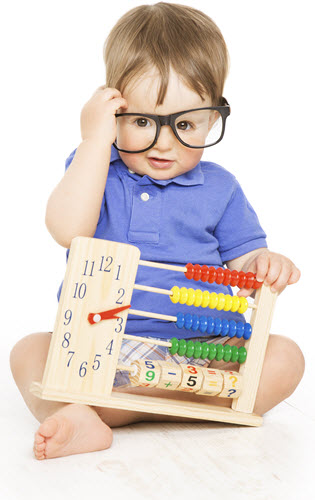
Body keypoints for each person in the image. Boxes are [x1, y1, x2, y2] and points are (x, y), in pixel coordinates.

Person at [10, 2, 304, 461]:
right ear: (113, 111)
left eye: (186, 125)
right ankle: (144, 409)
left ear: (213, 119)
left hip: (205, 351)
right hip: (103, 348)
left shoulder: (221, 187)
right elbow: (68, 230)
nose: (164, 143)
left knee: (286, 358)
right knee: (28, 352)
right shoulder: (95, 168)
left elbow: (246, 261)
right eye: (143, 122)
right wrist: (93, 142)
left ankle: (119, 412)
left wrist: (264, 264)